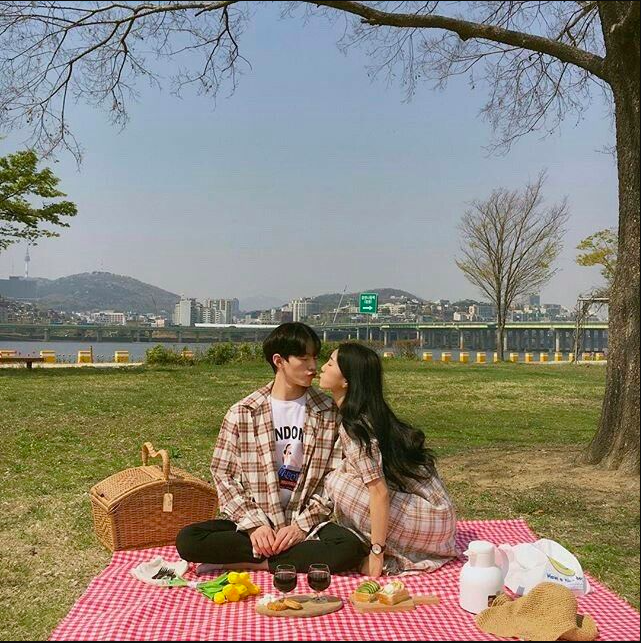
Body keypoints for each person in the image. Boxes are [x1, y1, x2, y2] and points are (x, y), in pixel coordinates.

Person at [176, 323, 367, 573]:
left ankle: (258, 563)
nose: (312, 366)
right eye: (303, 357)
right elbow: (223, 475)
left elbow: (333, 479)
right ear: (279, 361)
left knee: (349, 547)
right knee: (188, 539)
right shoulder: (243, 412)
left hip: (307, 523)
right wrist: (255, 525)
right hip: (258, 520)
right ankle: (287, 557)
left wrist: (300, 526)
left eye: (315, 357)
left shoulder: (329, 413)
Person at [318, 342, 457, 577]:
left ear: (346, 381)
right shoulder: (372, 412)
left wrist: (376, 552)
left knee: (336, 481)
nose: (322, 367)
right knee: (345, 473)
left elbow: (379, 492)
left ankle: (392, 557)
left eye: (330, 363)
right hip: (439, 519)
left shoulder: (357, 427)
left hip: (431, 525)